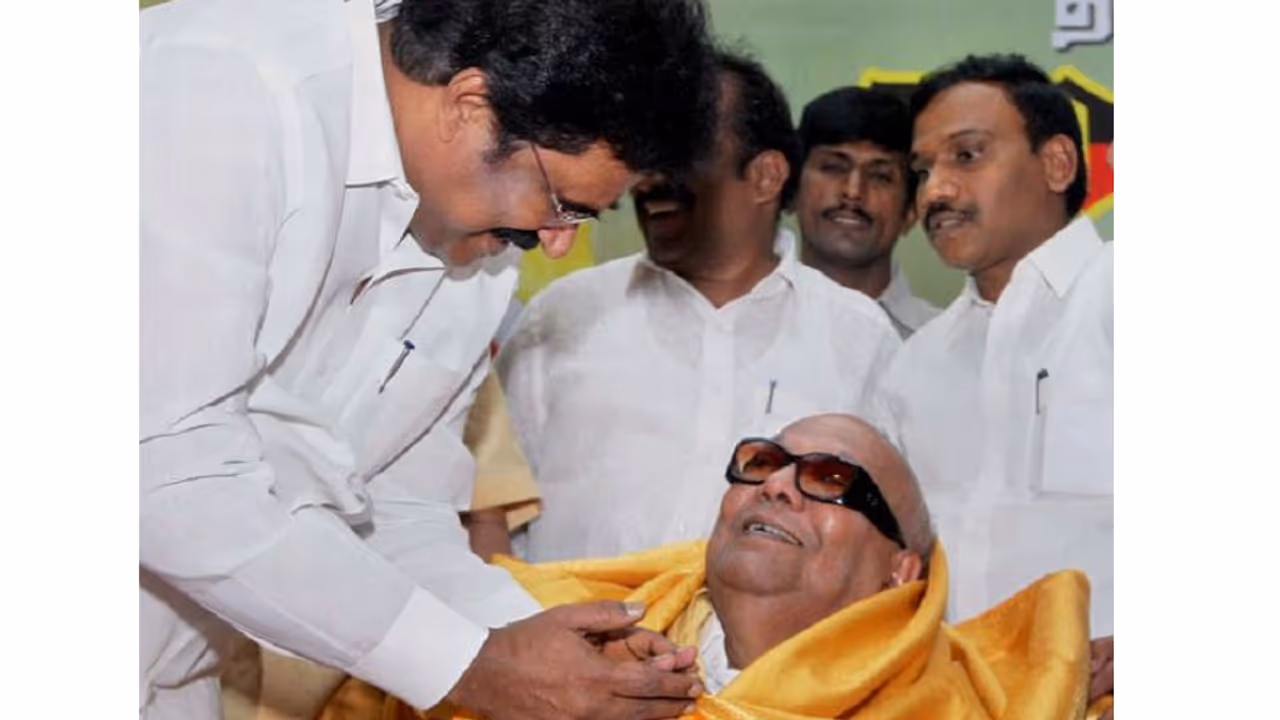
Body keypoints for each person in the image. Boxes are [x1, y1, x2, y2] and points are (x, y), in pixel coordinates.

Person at [139, 0, 720, 717]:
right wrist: (468, 666)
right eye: (562, 202)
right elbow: (167, 464)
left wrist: (535, 643)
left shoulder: (477, 235)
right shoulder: (219, 86)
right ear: (469, 105)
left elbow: (393, 505)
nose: (557, 241)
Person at [320, 413, 1111, 719]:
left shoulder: (983, 702)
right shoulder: (545, 632)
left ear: (901, 571)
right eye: (763, 462)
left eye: (829, 479)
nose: (777, 485)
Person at [496, 50, 901, 563]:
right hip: (560, 614)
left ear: (766, 176)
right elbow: (484, 514)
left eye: (678, 151)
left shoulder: (859, 340)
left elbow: (883, 541)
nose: (647, 180)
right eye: (646, 152)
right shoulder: (562, 317)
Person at [872, 53, 1114, 714]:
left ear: (1057, 164)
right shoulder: (915, 366)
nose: (936, 193)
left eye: (967, 155)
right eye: (924, 170)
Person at [790, 87, 941, 338]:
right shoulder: (740, 323)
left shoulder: (943, 343)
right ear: (793, 191)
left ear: (911, 211)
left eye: (880, 176)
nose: (853, 192)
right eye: (833, 167)